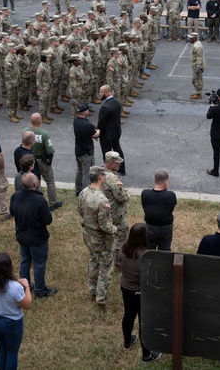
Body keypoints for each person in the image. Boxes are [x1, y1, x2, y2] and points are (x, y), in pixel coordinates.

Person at [118, 223, 162, 363]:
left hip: (125, 287)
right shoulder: (145, 256)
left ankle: (127, 342)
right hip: (140, 291)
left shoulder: (123, 250)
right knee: (144, 322)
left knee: (128, 315)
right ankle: (146, 355)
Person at [10, 173, 56, 299]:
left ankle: (25, 286)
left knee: (25, 260)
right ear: (35, 185)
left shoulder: (15, 196)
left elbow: (12, 212)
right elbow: (48, 220)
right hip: (38, 239)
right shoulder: (40, 200)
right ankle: (40, 290)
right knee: (39, 264)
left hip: (22, 236)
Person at [0, 252, 32, 370]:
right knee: (12, 353)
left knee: (2, 349)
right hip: (12, 324)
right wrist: (27, 287)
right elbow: (28, 304)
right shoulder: (15, 287)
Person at [77, 170, 116, 306]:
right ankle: (101, 298)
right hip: (101, 239)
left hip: (88, 235)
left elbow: (80, 211)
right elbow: (105, 226)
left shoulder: (83, 193)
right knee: (105, 266)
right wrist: (114, 229)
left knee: (93, 260)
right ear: (100, 177)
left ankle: (93, 290)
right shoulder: (102, 200)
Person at [25, 114, 61, 211]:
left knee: (35, 182)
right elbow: (50, 149)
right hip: (42, 160)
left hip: (30, 159)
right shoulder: (44, 133)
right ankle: (53, 202)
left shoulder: (26, 131)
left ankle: (37, 202)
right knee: (50, 181)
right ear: (40, 121)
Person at [140, 170, 176, 251]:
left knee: (149, 249)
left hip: (150, 227)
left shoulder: (145, 193)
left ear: (155, 180)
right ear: (166, 182)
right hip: (166, 228)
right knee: (165, 250)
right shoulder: (171, 195)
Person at [72, 103, 99, 196]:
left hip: (78, 151)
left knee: (79, 171)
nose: (89, 111)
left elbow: (91, 128)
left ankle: (78, 189)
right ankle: (86, 194)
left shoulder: (76, 120)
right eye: (87, 110)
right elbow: (95, 134)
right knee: (87, 174)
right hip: (86, 153)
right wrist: (98, 131)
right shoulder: (86, 125)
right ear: (84, 112)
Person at [97, 85, 125, 170]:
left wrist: (98, 131)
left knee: (106, 153)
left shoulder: (105, 107)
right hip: (116, 131)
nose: (99, 94)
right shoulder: (117, 102)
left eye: (101, 92)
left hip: (107, 134)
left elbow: (101, 122)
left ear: (106, 92)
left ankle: (108, 169)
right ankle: (121, 168)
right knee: (117, 149)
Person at [188, 33, 205, 99]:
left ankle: (198, 94)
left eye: (190, 38)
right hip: (196, 65)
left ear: (194, 38)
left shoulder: (197, 47)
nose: (189, 39)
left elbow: (199, 58)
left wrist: (198, 68)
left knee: (197, 80)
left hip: (198, 66)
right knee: (196, 79)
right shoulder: (197, 43)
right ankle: (198, 92)